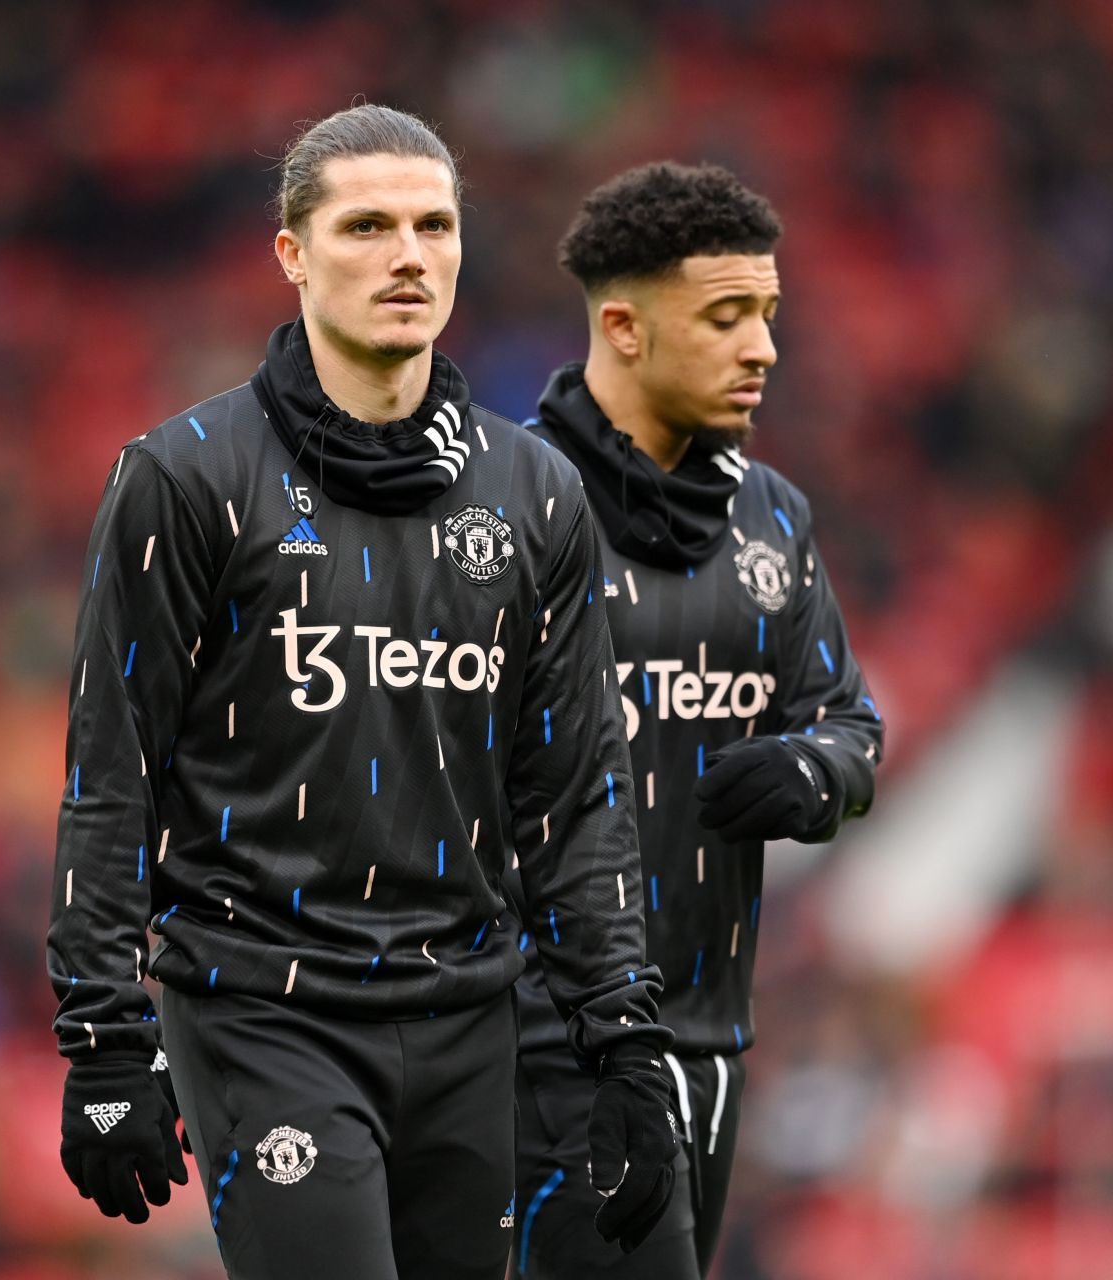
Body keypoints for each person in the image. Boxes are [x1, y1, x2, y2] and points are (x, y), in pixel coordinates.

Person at [46, 106, 679, 1280]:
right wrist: (101, 1037)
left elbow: (576, 796)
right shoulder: (184, 479)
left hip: (466, 1017)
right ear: (291, 253)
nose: (409, 256)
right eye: (368, 225)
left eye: (435, 225)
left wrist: (625, 1042)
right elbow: (110, 773)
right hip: (261, 1006)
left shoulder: (537, 492)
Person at [509, 163, 885, 1279]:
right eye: (727, 316)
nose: (763, 347)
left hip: (711, 1039)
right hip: (541, 1038)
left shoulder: (773, 518)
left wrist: (817, 771)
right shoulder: (502, 512)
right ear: (622, 326)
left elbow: (848, 722)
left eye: (768, 314)